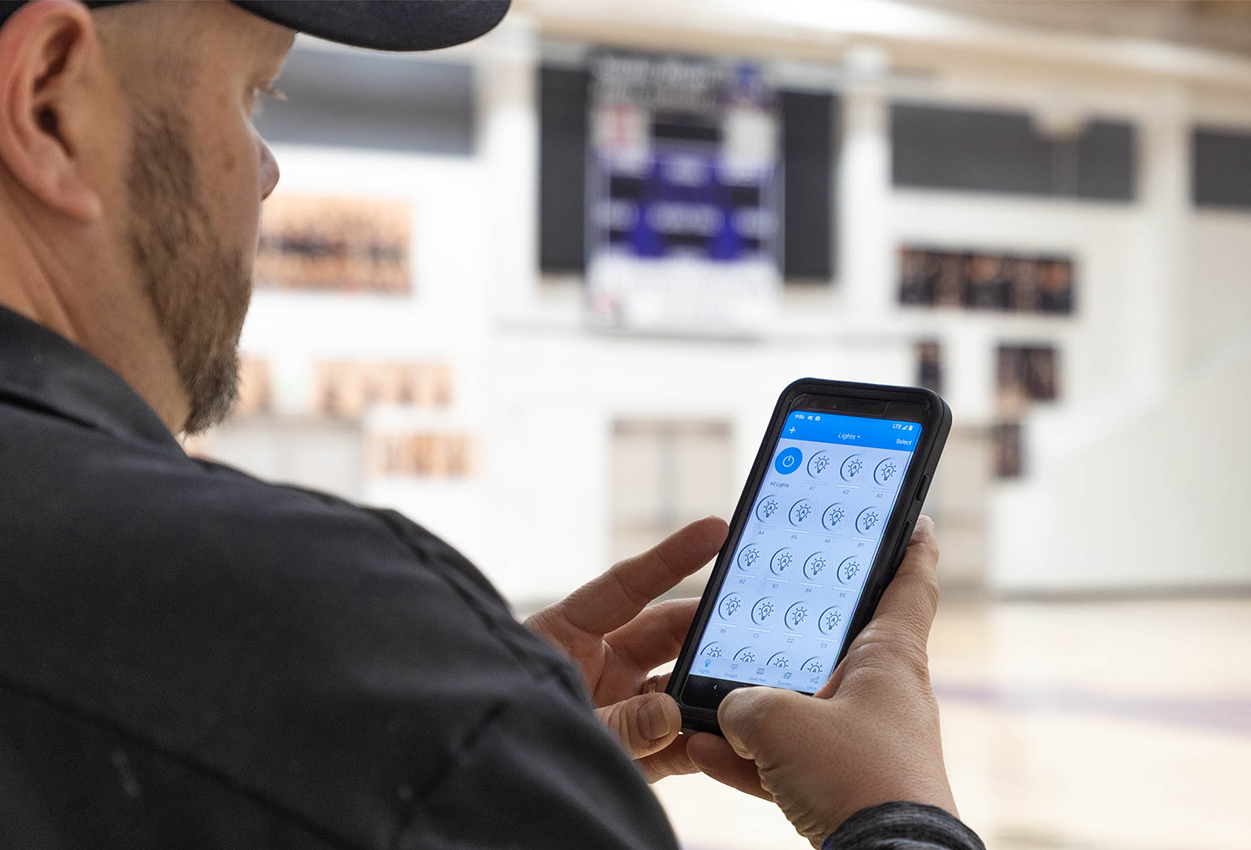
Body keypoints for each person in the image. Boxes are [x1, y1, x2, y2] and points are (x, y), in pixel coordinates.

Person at [0, 2, 984, 849]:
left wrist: (498, 754)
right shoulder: (314, 629)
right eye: (255, 96)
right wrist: (897, 813)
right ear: (49, 99)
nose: (265, 174)